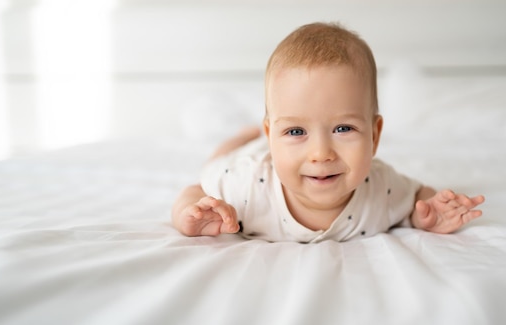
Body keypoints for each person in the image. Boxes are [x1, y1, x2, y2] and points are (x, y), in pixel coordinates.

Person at [171, 22, 484, 243]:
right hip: (247, 158)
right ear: (272, 136)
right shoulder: (245, 188)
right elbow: (196, 189)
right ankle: (245, 136)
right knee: (222, 156)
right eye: (295, 131)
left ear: (374, 136)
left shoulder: (381, 188)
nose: (321, 153)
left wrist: (429, 214)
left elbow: (417, 198)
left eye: (343, 128)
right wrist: (189, 213)